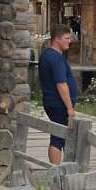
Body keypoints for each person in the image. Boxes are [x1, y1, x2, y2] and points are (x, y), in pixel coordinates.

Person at [38, 23, 77, 165]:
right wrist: (69, 107)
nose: (70, 41)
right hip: (58, 104)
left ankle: (66, 169)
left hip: (51, 102)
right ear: (57, 39)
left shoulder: (46, 55)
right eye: (67, 38)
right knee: (58, 137)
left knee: (63, 136)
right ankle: (56, 171)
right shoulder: (56, 58)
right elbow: (61, 83)